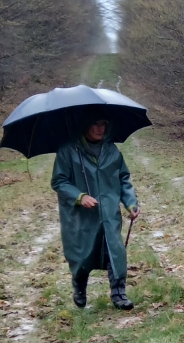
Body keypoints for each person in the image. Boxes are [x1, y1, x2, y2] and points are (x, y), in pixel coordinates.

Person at [51, 116, 139, 310]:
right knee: (82, 256)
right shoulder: (68, 151)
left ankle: (119, 293)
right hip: (80, 218)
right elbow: (59, 181)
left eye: (103, 125)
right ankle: (79, 287)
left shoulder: (111, 151)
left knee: (114, 252)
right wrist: (79, 196)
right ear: (85, 125)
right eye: (95, 124)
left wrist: (131, 202)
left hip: (108, 213)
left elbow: (123, 178)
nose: (100, 129)